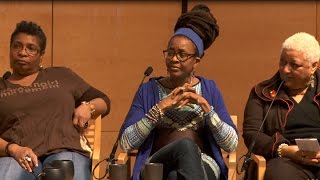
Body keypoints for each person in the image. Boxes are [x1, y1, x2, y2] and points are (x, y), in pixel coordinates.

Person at [119, 4, 238, 180]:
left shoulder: (209, 89)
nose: (174, 59)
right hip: (157, 163)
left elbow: (231, 144)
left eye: (182, 54)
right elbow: (126, 143)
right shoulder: (148, 90)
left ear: (196, 61)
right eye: (170, 53)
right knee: (185, 146)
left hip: (203, 163)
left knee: (176, 176)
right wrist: (160, 108)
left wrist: (206, 107)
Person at [0, 20, 110, 180]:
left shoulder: (62, 76)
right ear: (10, 49)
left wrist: (88, 106)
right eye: (17, 46)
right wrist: (12, 149)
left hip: (64, 150)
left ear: (41, 55)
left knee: (67, 168)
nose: (23, 52)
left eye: (31, 48)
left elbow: (104, 101)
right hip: (17, 157)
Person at [243, 32, 320, 180]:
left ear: (313, 66)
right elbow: (252, 134)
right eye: (282, 62)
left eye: (294, 65)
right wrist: (284, 150)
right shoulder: (262, 92)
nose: (285, 69)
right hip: (285, 160)